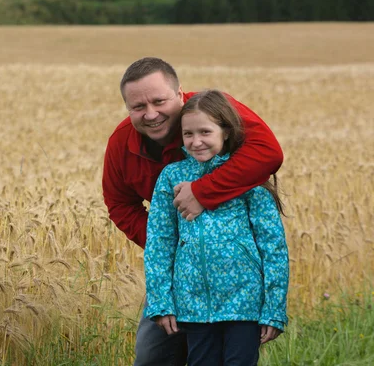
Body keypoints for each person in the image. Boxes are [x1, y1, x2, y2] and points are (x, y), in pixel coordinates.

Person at [102, 57, 284, 365]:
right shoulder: (122, 144)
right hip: (180, 276)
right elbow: (120, 204)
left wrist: (202, 192)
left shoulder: (212, 111)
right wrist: (176, 247)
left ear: (179, 94)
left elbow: (268, 152)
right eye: (137, 107)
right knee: (152, 356)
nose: (150, 114)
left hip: (239, 284)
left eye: (159, 101)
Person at [143, 90, 289, 366]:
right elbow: (160, 243)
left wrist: (274, 309)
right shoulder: (171, 177)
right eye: (188, 134)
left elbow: (274, 248)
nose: (196, 142)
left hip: (244, 304)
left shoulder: (248, 178)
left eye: (205, 132)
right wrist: (161, 302)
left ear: (225, 131)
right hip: (193, 304)